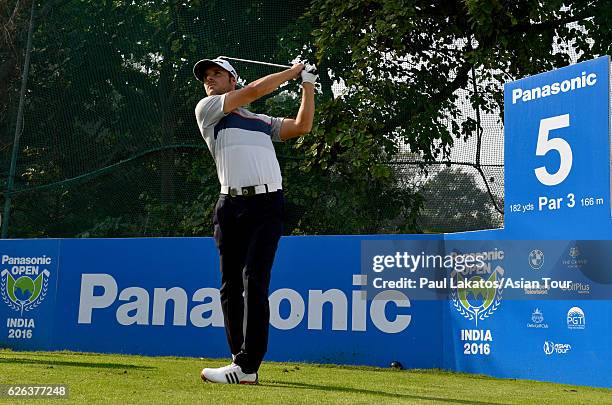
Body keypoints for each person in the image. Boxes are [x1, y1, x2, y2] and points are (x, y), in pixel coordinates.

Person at [193, 57, 317, 384]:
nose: (209, 79)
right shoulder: (208, 111)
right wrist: (292, 72)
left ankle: (248, 365)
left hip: (267, 204)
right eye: (206, 76)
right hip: (229, 204)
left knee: (255, 279)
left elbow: (302, 126)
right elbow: (255, 90)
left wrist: (307, 84)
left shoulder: (262, 121)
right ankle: (240, 360)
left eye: (217, 74)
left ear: (231, 79)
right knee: (230, 284)